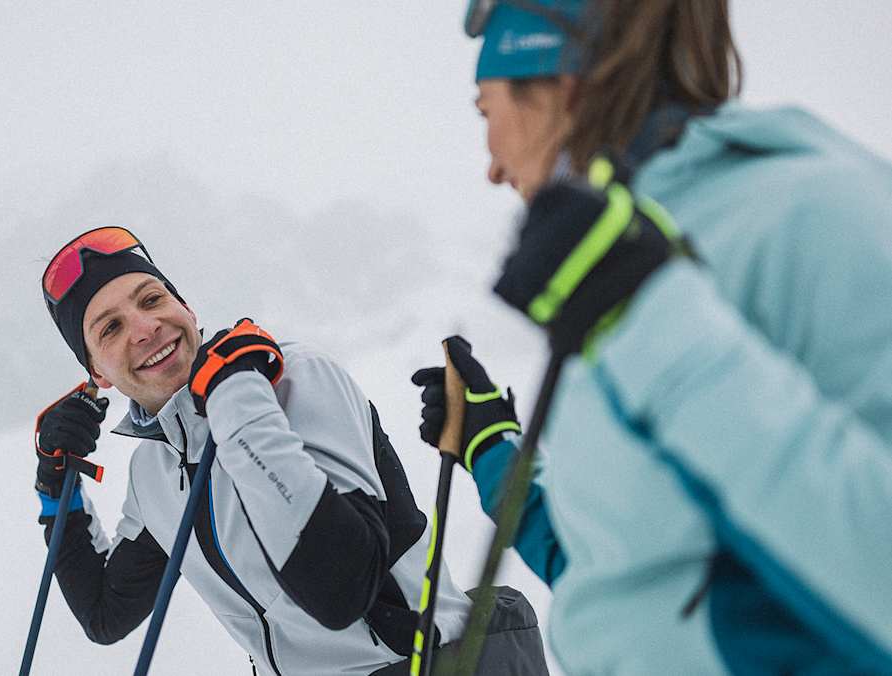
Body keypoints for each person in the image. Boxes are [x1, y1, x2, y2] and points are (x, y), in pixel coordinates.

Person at [411, 0, 892, 673]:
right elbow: (620, 571)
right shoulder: (614, 257)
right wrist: (490, 447)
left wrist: (645, 317)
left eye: (485, 112)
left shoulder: (808, 216)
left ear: (557, 84)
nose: (491, 165)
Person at [32, 226, 548, 675]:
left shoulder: (292, 381)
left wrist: (236, 398)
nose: (146, 329)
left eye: (151, 300)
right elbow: (105, 614)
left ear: (185, 308)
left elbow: (341, 587)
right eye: (111, 328)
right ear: (97, 373)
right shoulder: (154, 472)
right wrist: (58, 484)